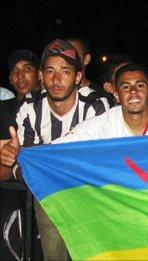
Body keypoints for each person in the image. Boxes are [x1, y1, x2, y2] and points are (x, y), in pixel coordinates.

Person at [0, 38, 108, 260]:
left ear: (78, 77)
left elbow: (98, 161)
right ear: (41, 75)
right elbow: (27, 167)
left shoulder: (95, 106)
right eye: (50, 70)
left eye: (65, 71)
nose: (56, 79)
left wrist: (39, 160)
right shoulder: (30, 108)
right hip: (51, 196)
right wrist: (11, 157)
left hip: (91, 194)